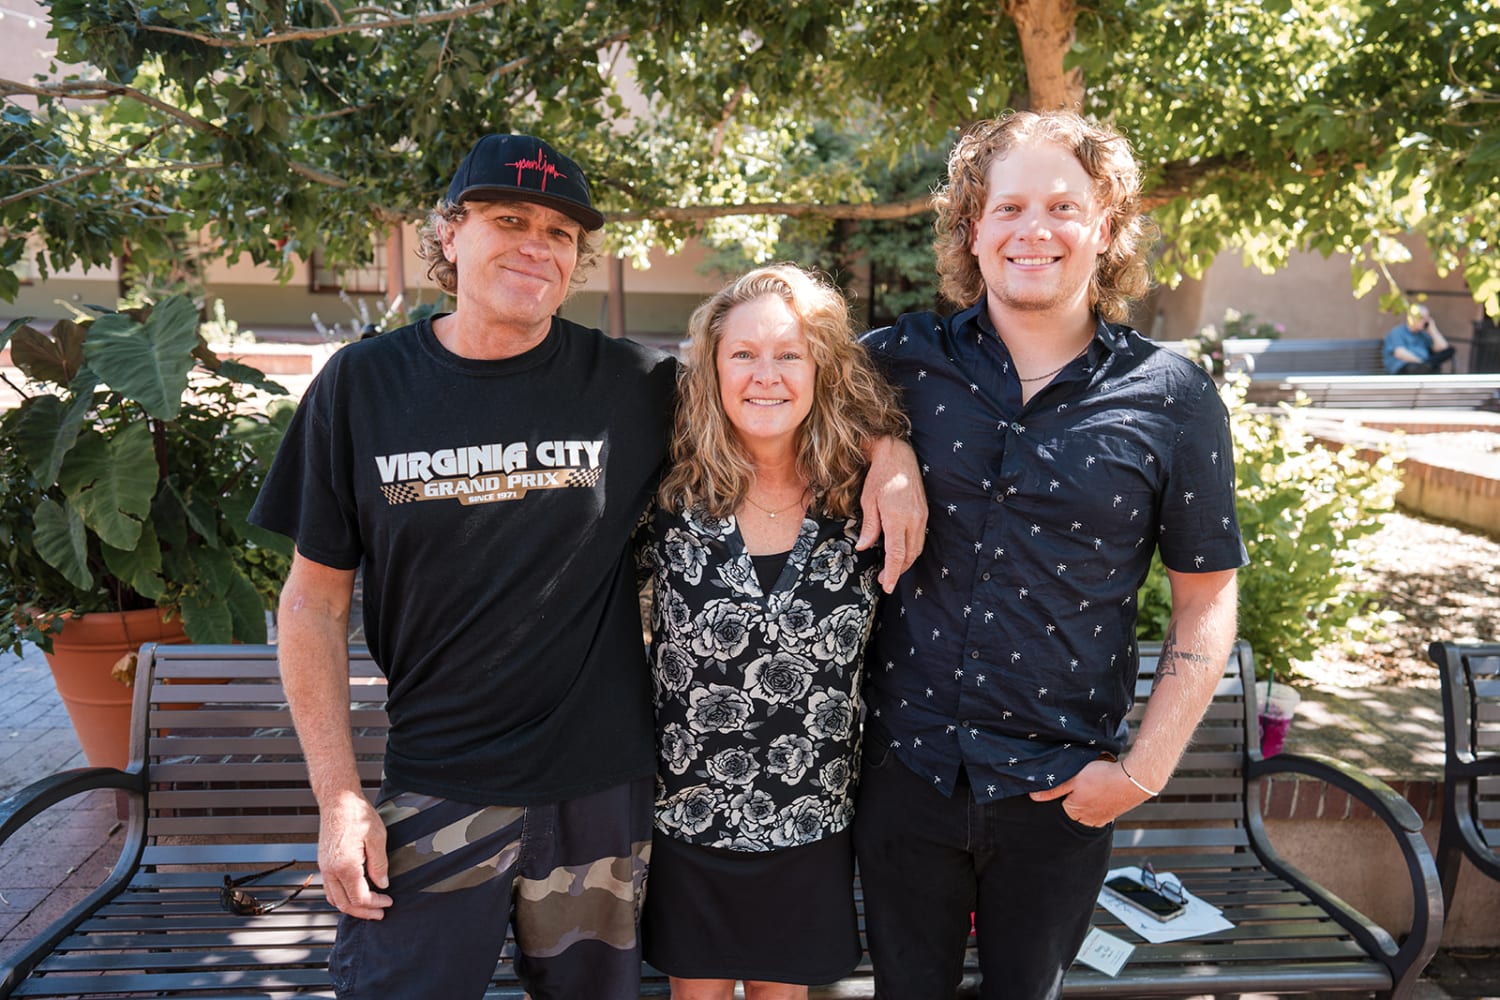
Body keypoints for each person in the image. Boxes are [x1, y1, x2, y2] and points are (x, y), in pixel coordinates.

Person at [248, 134, 924, 1000]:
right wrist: (339, 799)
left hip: (601, 800)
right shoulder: (359, 387)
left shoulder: (635, 383)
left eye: (561, 233)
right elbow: (310, 607)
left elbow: (773, 389)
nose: (536, 245)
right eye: (508, 219)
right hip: (437, 786)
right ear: (449, 234)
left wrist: (891, 451)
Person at [852, 110, 1247, 1000]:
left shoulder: (1173, 397)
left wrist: (1139, 775)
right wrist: (885, 441)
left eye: (1064, 207)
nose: (1035, 229)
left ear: (1104, 229)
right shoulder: (894, 365)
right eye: (1009, 207)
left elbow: (1207, 600)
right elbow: (763, 380)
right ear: (972, 229)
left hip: (1063, 791)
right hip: (905, 773)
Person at [637, 265, 908, 1000]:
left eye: (789, 354)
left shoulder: (866, 501)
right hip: (687, 817)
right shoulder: (667, 491)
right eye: (743, 354)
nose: (767, 375)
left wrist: (893, 448)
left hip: (811, 821)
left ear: (822, 369)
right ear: (712, 369)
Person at [1383, 304, 1455, 374]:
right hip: (1405, 367)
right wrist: (1422, 363)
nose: (1425, 321)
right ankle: (1428, 367)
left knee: (1450, 350)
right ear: (1411, 318)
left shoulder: (1423, 334)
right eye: (1421, 317)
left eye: (1427, 318)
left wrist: (1433, 330)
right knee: (1424, 368)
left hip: (1424, 366)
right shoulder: (1397, 332)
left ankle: (1428, 367)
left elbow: (1443, 348)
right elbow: (1400, 353)